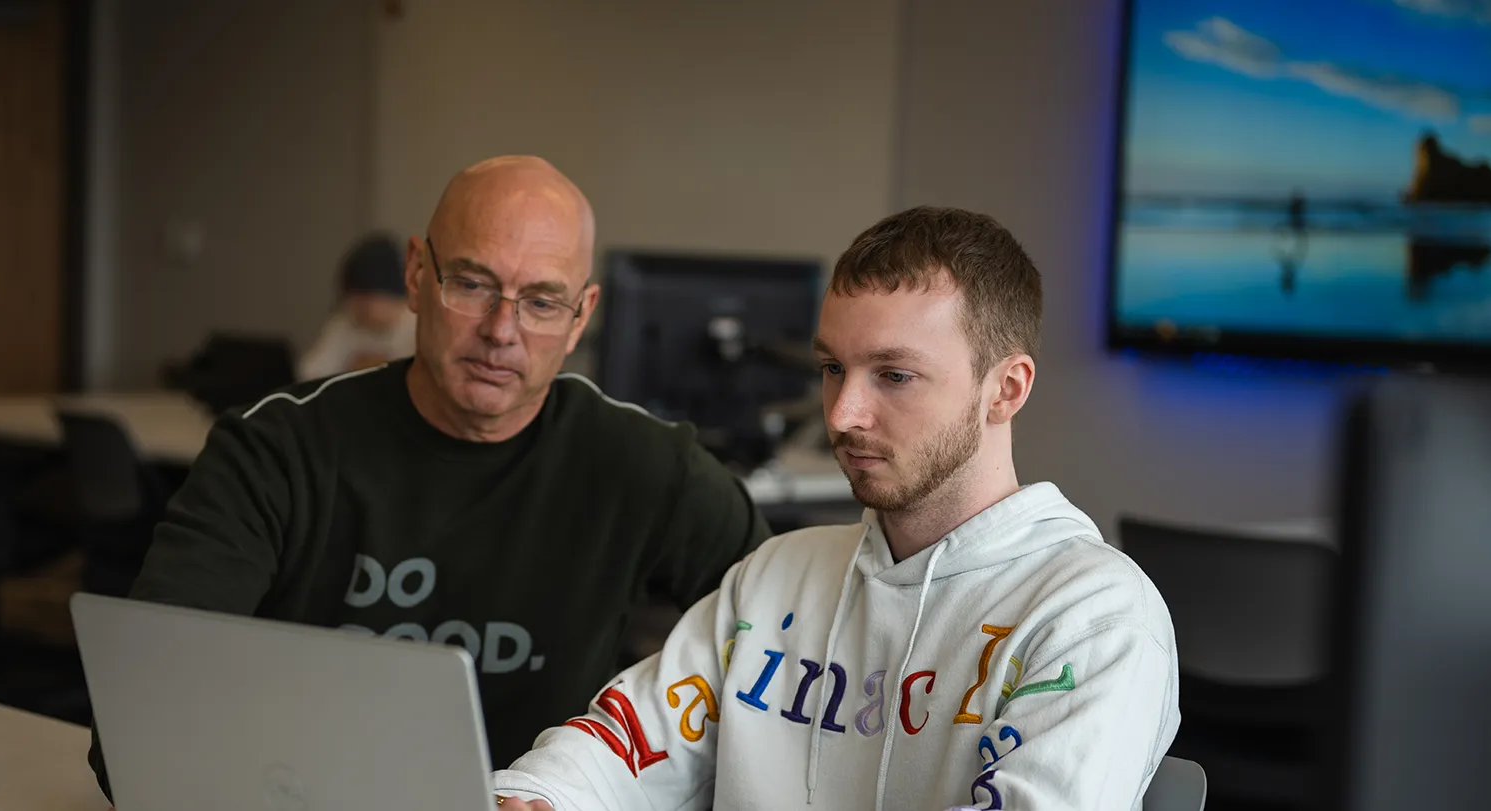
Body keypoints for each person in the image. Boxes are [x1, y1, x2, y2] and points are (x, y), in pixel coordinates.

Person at [86, 156, 771, 800]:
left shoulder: (642, 464)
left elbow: (779, 645)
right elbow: (137, 719)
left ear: (581, 316)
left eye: (541, 301)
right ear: (417, 275)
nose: (502, 330)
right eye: (472, 283)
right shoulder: (276, 450)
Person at [492, 207, 1179, 810]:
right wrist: (541, 795)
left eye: (894, 376)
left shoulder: (1092, 617)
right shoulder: (776, 577)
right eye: (832, 369)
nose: (844, 414)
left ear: (1005, 389)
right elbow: (623, 741)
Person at [298, 233, 417, 380]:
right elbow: (309, 375)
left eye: (368, 298)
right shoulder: (344, 324)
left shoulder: (416, 326)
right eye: (355, 299)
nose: (362, 308)